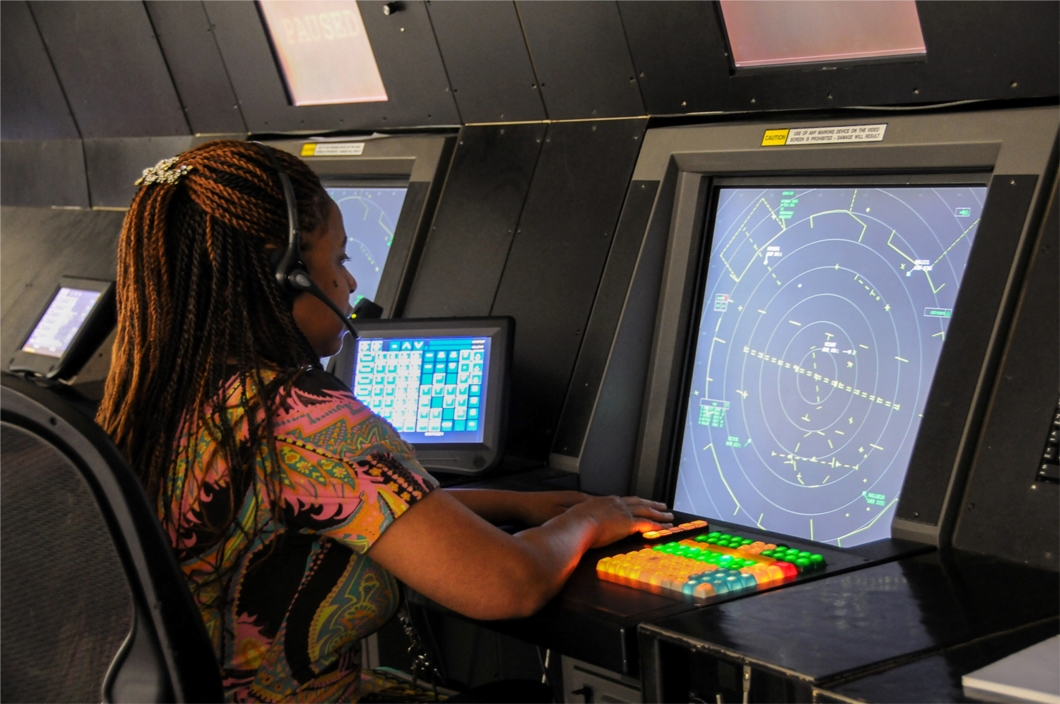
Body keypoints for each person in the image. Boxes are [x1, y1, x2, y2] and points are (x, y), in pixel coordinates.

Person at [96, 141, 672, 703]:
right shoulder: (308, 420)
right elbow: (512, 582)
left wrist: (509, 503)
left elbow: (333, 509)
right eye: (339, 260)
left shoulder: (146, 399)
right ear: (284, 271)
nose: (348, 285)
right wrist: (592, 520)